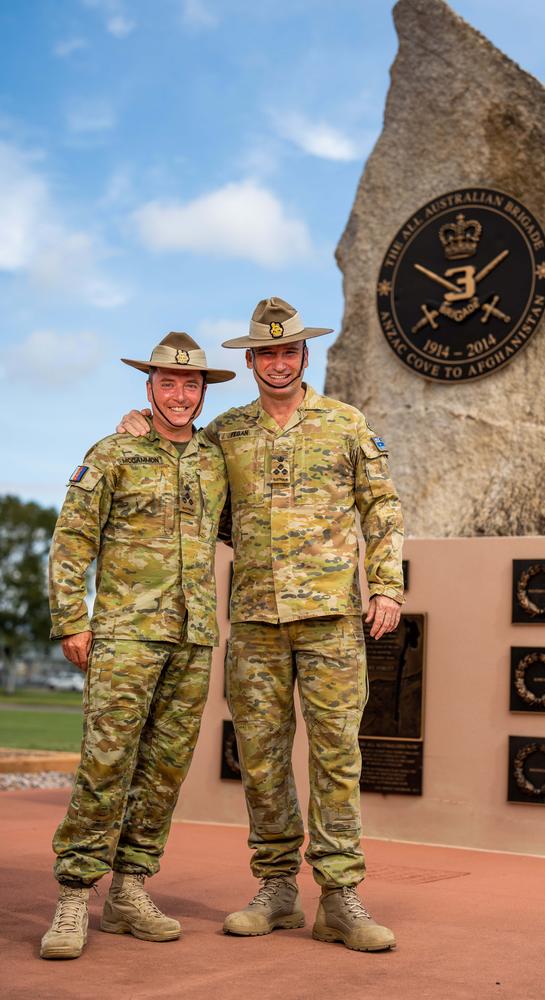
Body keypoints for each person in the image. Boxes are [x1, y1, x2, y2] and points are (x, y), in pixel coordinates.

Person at [119, 298, 404, 952]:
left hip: (331, 618)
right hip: (254, 621)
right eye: (265, 353)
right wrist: (142, 429)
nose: (277, 362)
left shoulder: (344, 424)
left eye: (288, 351)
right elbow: (184, 491)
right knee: (263, 758)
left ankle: (339, 898)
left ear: (305, 355)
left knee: (337, 757)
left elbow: (381, 510)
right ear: (250, 361)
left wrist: (385, 585)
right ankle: (277, 890)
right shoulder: (226, 433)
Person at [41, 332, 234, 960]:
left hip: (192, 637)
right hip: (125, 635)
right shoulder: (113, 452)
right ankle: (74, 895)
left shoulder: (214, 460)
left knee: (164, 772)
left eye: (190, 385)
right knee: (106, 765)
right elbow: (72, 539)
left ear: (203, 391)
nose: (179, 396)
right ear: (148, 387)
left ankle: (128, 890)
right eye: (167, 384)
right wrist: (73, 619)